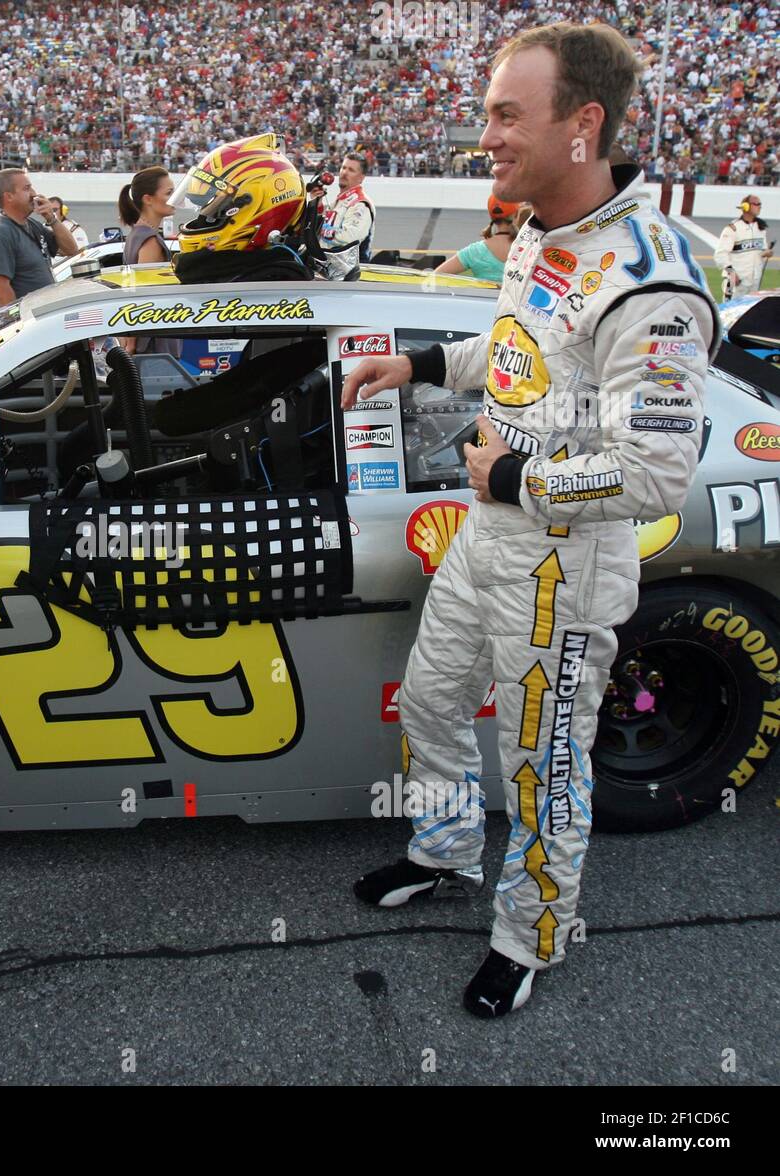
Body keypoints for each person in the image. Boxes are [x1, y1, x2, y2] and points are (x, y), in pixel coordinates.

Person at [341, 22, 719, 1019]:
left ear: (582, 124)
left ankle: (532, 933)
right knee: (427, 702)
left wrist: (515, 478)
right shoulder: (544, 231)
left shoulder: (655, 281)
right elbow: (514, 348)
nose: (486, 134)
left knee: (542, 765)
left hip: (562, 569)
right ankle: (446, 853)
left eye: (507, 113)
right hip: (486, 537)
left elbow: (655, 474)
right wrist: (418, 366)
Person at [168, 133, 313, 283]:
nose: (203, 218)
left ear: (254, 209)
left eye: (217, 210)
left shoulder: (258, 282)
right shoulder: (212, 274)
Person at [0, 169, 79, 307]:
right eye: (27, 188)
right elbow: (0, 287)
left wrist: (51, 218)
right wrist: (18, 324)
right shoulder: (0, 234)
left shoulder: (32, 224)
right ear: (9, 196)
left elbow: (71, 249)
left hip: (44, 315)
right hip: (29, 321)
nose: (34, 194)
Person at [117, 166, 181, 356]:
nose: (175, 197)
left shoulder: (138, 234)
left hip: (149, 341)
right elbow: (143, 297)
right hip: (154, 344)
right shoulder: (150, 240)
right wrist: (131, 342)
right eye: (169, 192)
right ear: (148, 199)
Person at [435, 195, 522, 282]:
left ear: (492, 217)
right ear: (517, 214)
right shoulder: (529, 250)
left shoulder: (475, 251)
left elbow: (436, 276)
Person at [317, 154, 375, 277]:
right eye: (343, 168)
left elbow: (350, 237)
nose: (344, 173)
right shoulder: (339, 201)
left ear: (361, 177)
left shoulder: (360, 203)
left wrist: (320, 229)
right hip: (331, 271)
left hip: (350, 277)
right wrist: (317, 203)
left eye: (351, 170)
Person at [713, 193, 772, 300]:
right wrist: (731, 273)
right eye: (756, 204)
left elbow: (760, 251)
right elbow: (720, 254)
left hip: (754, 281)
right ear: (746, 206)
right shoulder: (733, 228)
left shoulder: (761, 228)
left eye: (760, 204)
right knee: (729, 311)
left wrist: (766, 253)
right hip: (734, 281)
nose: (759, 206)